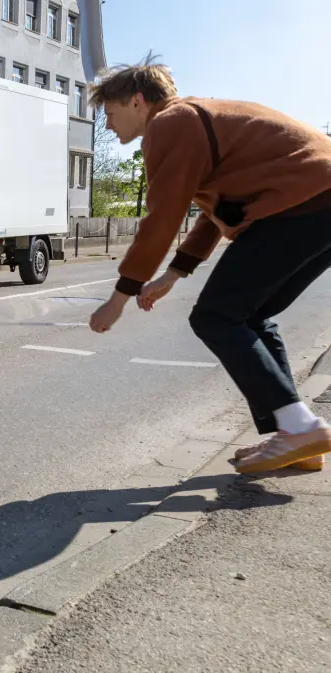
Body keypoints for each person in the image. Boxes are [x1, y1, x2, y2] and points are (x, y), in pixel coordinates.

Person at [86, 56, 331, 474]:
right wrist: (173, 273)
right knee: (250, 315)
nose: (108, 125)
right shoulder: (199, 119)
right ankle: (294, 436)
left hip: (304, 203)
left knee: (216, 316)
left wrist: (120, 296)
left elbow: (162, 216)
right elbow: (215, 212)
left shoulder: (170, 124)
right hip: (317, 202)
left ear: (137, 101)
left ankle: (300, 427)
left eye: (109, 113)